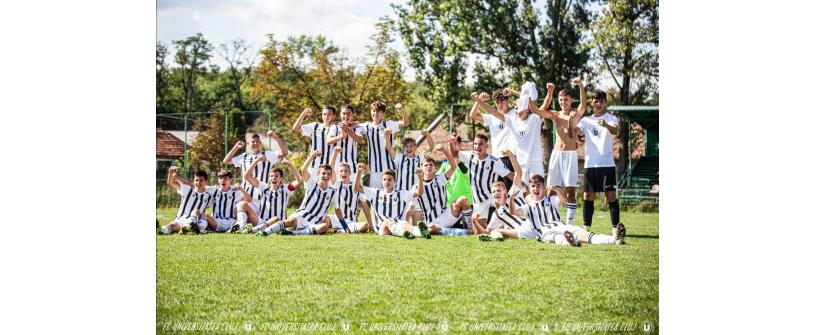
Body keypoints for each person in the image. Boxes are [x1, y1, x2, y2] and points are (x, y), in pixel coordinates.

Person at [528, 78, 587, 225]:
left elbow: (584, 104)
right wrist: (528, 95)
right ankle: (547, 220)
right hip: (556, 155)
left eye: (565, 100)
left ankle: (569, 225)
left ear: (571, 100)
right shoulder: (555, 114)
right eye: (560, 100)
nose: (563, 103)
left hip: (571, 155)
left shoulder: (575, 115)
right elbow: (536, 110)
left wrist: (580, 85)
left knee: (570, 191)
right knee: (550, 190)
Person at [508, 174, 625, 245]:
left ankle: (615, 239)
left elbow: (564, 200)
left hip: (562, 226)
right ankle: (569, 242)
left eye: (539, 185)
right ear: (530, 188)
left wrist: (556, 189)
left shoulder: (551, 200)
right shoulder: (528, 207)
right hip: (544, 232)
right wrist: (512, 198)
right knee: (555, 237)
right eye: (533, 186)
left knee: (583, 234)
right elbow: (514, 212)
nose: (536, 188)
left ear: (544, 188)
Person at [256, 152, 349, 236]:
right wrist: (312, 156)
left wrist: (345, 225)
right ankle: (265, 232)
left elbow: (337, 210)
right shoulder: (312, 184)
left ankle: (292, 233)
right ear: (318, 174)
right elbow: (303, 170)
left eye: (329, 174)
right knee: (290, 221)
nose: (326, 176)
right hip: (302, 216)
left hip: (315, 223)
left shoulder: (333, 192)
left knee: (324, 227)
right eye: (323, 173)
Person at [450, 135, 520, 235]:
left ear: (486, 145)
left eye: (480, 144)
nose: (477, 146)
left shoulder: (494, 161)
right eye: (475, 144)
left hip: (494, 197)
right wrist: (451, 143)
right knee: (479, 233)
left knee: (507, 214)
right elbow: (454, 153)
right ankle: (494, 230)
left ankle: (510, 228)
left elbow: (510, 175)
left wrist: (523, 184)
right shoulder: (470, 156)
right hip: (479, 200)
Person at [576, 90, 621, 230]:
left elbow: (615, 131)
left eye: (601, 101)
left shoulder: (611, 118)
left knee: (611, 195)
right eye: (596, 101)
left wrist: (606, 125)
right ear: (592, 102)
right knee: (587, 195)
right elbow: (576, 131)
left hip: (607, 163)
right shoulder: (585, 120)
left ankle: (615, 229)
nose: (599, 103)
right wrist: (572, 122)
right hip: (591, 164)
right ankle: (586, 229)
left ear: (605, 102)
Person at [354, 163, 429, 239]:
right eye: (384, 179)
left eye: (390, 179)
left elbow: (419, 193)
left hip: (399, 223)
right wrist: (359, 172)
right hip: (382, 228)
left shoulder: (401, 193)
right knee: (388, 221)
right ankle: (404, 233)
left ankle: (421, 232)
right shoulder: (375, 192)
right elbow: (357, 188)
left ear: (395, 181)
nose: (387, 182)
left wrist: (420, 177)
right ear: (382, 181)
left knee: (405, 224)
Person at [233, 155, 303, 234]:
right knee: (242, 204)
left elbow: (299, 180)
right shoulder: (263, 187)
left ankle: (252, 230)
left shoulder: (286, 189)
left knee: (276, 218)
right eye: (271, 176)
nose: (273, 178)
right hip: (261, 222)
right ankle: (241, 228)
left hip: (277, 224)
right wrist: (257, 160)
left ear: (281, 178)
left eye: (276, 176)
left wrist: (290, 164)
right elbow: (247, 176)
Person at [412, 144, 471, 236]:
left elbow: (454, 167)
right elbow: (411, 206)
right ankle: (451, 231)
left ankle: (470, 228)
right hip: (431, 221)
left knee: (463, 199)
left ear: (434, 167)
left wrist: (445, 150)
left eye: (431, 165)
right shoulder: (417, 185)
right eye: (426, 165)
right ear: (422, 168)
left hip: (446, 215)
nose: (428, 167)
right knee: (430, 228)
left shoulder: (440, 179)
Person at [468, 90, 518, 189]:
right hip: (495, 159)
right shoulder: (492, 117)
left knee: (510, 192)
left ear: (507, 100)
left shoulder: (514, 114)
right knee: (497, 191)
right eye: (497, 102)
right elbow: (473, 115)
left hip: (510, 158)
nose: (499, 104)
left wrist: (512, 92)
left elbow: (526, 101)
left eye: (502, 101)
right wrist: (480, 100)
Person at [500, 82, 546, 184]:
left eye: (518, 107)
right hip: (519, 161)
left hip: (535, 161)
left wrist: (513, 92)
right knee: (522, 190)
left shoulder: (533, 118)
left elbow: (528, 102)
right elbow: (496, 112)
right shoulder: (513, 119)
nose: (516, 109)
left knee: (537, 187)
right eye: (516, 107)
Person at [358, 101, 409, 188]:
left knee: (392, 197)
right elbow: (351, 125)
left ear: (383, 113)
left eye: (378, 111)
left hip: (390, 168)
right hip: (375, 170)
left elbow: (405, 123)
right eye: (373, 111)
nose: (375, 113)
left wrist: (402, 111)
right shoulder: (366, 126)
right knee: (376, 198)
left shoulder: (388, 124)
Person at [223, 131, 288, 196]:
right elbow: (226, 161)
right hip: (246, 194)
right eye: (253, 141)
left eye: (257, 141)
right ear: (248, 143)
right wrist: (236, 147)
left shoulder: (267, 155)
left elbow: (284, 153)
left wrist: (276, 137)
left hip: (262, 194)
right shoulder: (244, 156)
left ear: (260, 143)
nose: (255, 143)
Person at [324, 146, 371, 234]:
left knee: (364, 226)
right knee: (322, 219)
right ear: (338, 173)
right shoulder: (336, 184)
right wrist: (334, 154)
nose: (343, 173)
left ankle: (339, 230)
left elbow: (364, 205)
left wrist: (371, 224)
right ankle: (340, 229)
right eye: (341, 171)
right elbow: (330, 168)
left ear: (349, 173)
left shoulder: (356, 186)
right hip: (336, 219)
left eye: (346, 171)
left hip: (351, 221)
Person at [157, 167, 215, 235]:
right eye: (196, 180)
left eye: (201, 180)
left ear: (206, 182)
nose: (198, 182)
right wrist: (170, 172)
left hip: (197, 222)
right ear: (194, 181)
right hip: (181, 219)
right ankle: (159, 230)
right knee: (172, 226)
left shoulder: (209, 197)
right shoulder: (188, 190)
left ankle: (189, 227)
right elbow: (171, 183)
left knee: (197, 211)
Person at [293, 106, 342, 181]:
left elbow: (352, 125)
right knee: (312, 190)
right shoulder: (315, 126)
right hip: (315, 166)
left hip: (332, 167)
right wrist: (303, 114)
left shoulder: (338, 128)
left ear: (334, 116)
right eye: (324, 114)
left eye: (329, 114)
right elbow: (296, 128)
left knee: (332, 191)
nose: (326, 116)